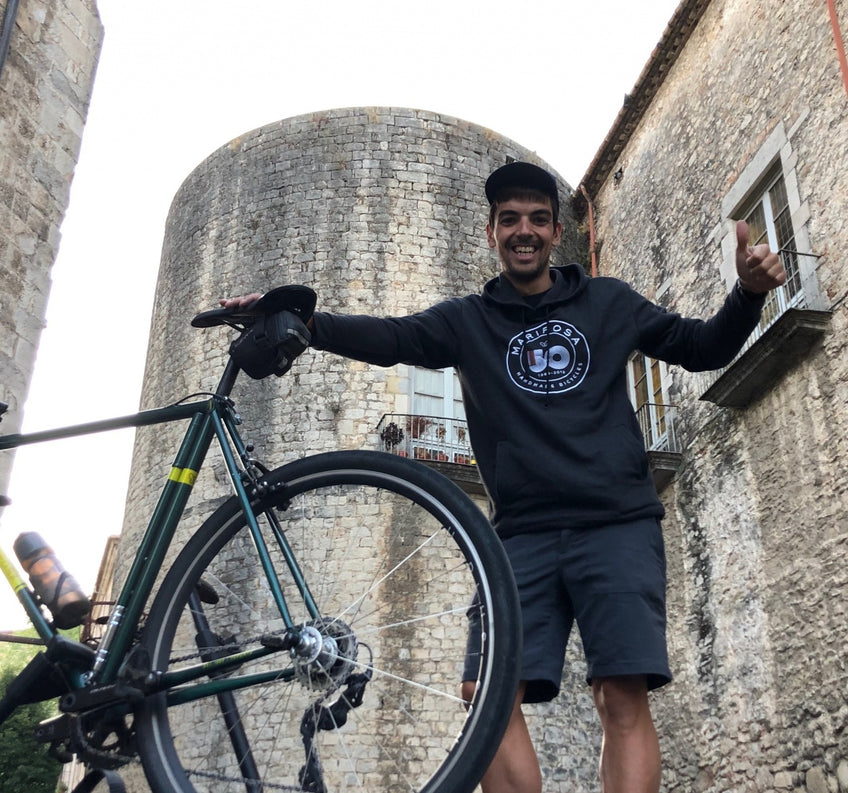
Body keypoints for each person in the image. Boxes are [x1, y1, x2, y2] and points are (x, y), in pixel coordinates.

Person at [221, 161, 786, 793]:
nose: (525, 231)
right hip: (519, 537)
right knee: (484, 693)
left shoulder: (609, 302)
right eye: (510, 219)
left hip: (618, 525)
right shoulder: (468, 321)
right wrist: (307, 325)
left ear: (555, 233)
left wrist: (747, 294)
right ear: (491, 232)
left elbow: (702, 348)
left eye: (538, 219)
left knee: (620, 694)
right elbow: (392, 337)